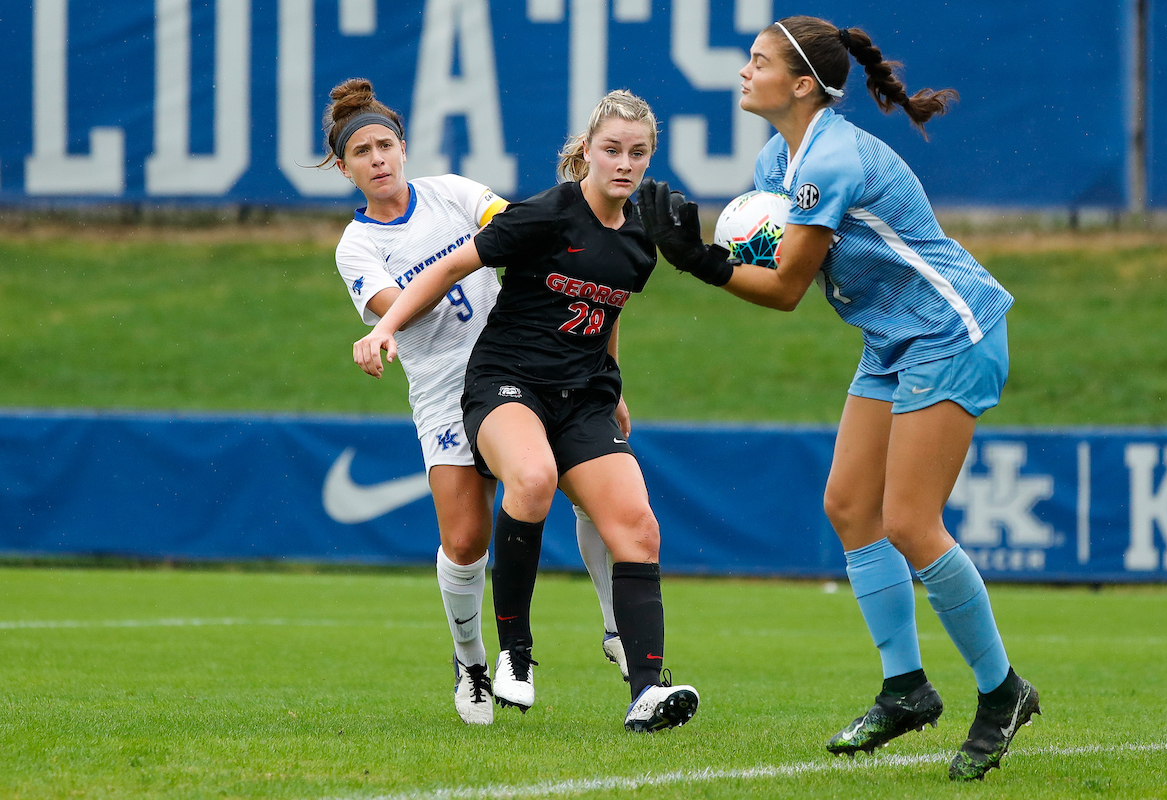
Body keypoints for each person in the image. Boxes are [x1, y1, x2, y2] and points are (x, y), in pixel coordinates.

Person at [637, 16, 1038, 779]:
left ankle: (1002, 691)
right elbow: (767, 255)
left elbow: (786, 287)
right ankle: (906, 688)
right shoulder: (775, 161)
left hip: (951, 331)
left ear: (800, 85)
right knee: (851, 508)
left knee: (911, 523)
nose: (743, 71)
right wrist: (709, 254)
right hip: (892, 338)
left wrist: (699, 263)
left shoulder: (832, 159)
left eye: (757, 61)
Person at [352, 90, 699, 733]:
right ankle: (511, 655)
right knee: (524, 487)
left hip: (583, 393)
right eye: (612, 149)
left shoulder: (643, 237)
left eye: (638, 153)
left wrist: (614, 384)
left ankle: (646, 690)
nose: (624, 163)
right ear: (585, 152)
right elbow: (455, 265)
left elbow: (606, 309)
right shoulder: (547, 213)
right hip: (503, 381)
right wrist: (385, 328)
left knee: (639, 527)